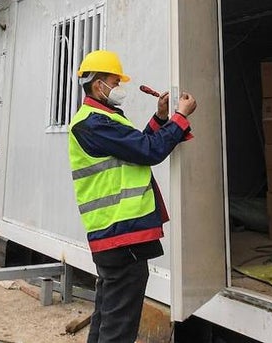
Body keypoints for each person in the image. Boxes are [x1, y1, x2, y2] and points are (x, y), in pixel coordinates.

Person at [68, 49, 196, 343]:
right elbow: (148, 150)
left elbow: (135, 147)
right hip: (121, 234)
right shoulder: (94, 123)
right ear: (98, 84)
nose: (118, 88)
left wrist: (161, 117)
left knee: (107, 318)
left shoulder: (101, 119)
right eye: (115, 82)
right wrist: (180, 117)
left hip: (115, 235)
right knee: (119, 329)